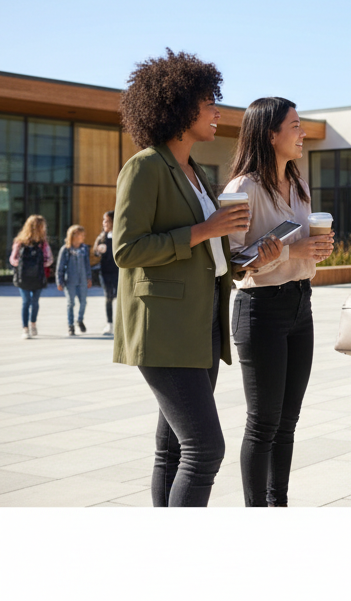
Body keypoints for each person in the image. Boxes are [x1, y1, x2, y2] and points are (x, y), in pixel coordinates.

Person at [113, 49, 248, 507]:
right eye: (209, 103)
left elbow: (207, 250)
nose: (217, 112)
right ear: (177, 107)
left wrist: (247, 255)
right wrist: (204, 229)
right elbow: (127, 250)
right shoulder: (146, 166)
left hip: (202, 326)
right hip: (164, 329)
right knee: (206, 449)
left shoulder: (195, 173)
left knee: (172, 448)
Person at [223, 97, 335, 507]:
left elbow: (305, 246)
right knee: (263, 423)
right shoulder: (242, 188)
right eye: (295, 125)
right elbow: (234, 260)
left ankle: (278, 505)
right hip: (260, 309)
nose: (302, 132)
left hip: (299, 307)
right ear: (271, 134)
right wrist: (291, 251)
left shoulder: (299, 183)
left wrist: (315, 251)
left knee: (287, 422)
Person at [11, 214, 52, 339]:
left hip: (33, 276)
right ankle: (26, 327)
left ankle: (32, 324)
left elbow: (13, 260)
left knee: (33, 302)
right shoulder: (20, 242)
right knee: (27, 301)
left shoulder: (42, 243)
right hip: (28, 276)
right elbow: (49, 260)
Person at [56, 225, 92, 336]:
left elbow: (87, 264)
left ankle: (79, 319)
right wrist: (59, 281)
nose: (83, 237)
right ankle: (70, 325)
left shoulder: (84, 248)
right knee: (70, 303)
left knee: (83, 302)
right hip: (70, 281)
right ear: (74, 235)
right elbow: (60, 267)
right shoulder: (66, 250)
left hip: (82, 280)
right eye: (81, 234)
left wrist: (89, 278)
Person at [93, 211, 118, 335]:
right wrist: (98, 250)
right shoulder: (102, 236)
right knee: (108, 297)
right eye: (104, 220)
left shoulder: (119, 235)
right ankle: (110, 323)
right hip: (105, 272)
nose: (104, 223)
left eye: (107, 221)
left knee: (120, 298)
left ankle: (120, 323)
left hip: (119, 272)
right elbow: (95, 252)